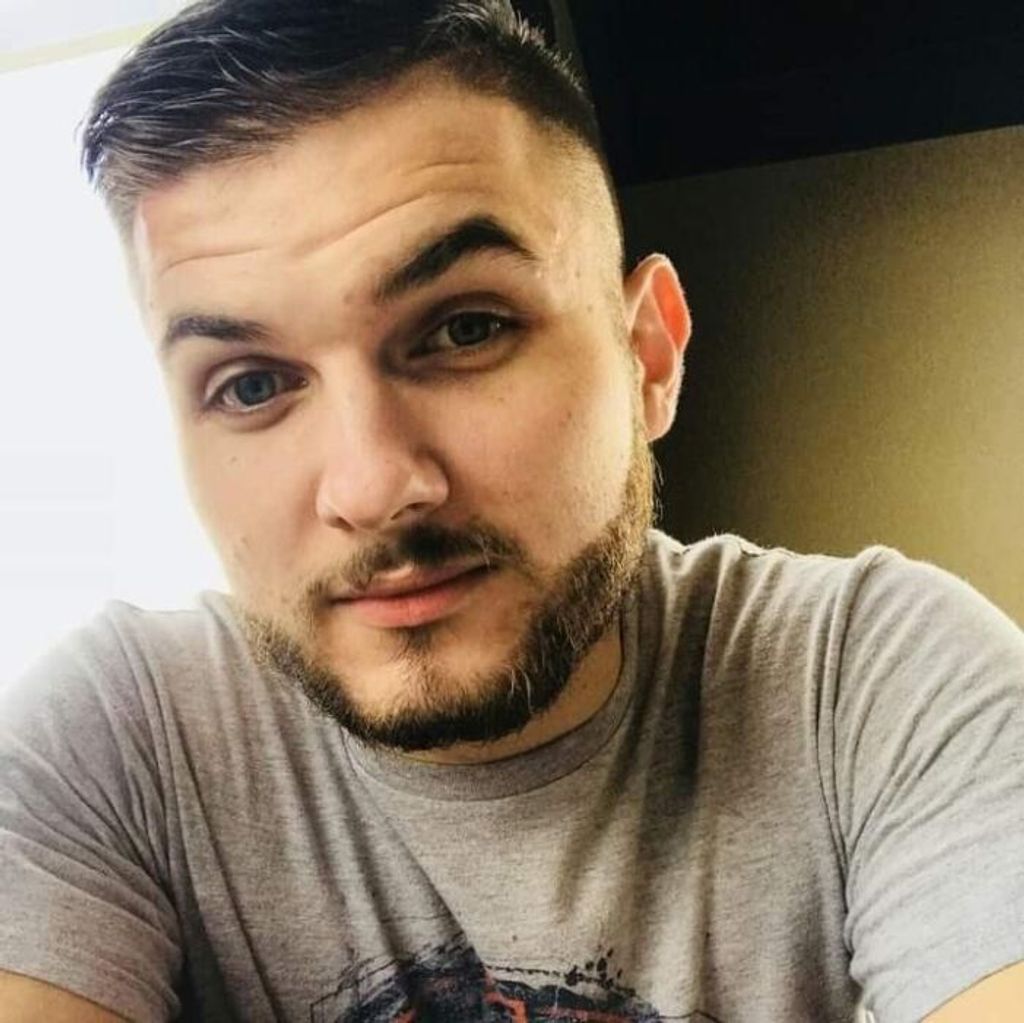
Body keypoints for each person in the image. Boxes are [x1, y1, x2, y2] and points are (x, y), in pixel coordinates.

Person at [1, 1, 1022, 1019]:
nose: (372, 486)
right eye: (252, 385)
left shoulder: (873, 683)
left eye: (465, 329)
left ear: (648, 356)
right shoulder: (114, 743)